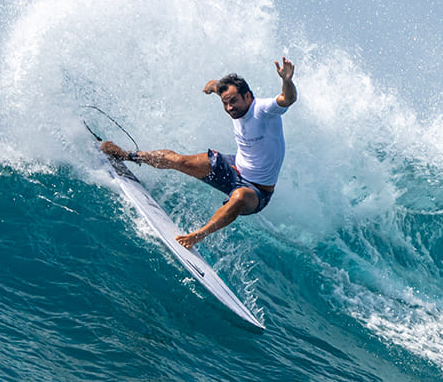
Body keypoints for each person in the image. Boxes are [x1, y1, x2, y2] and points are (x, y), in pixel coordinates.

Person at [100, 57, 297, 249]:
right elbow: (216, 86)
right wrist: (211, 87)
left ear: (248, 96)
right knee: (180, 161)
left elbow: (288, 98)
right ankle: (126, 155)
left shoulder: (262, 109)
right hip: (234, 168)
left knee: (238, 198)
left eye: (233, 101)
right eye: (225, 103)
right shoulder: (229, 99)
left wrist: (286, 81)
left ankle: (197, 235)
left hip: (257, 191)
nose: (229, 108)